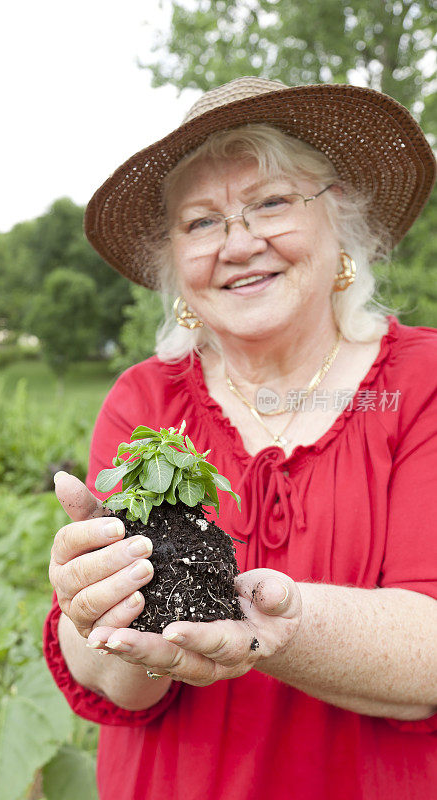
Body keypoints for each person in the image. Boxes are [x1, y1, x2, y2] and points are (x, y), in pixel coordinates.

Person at [44, 77, 437, 800]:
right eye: (201, 222)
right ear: (174, 265)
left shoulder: (419, 384)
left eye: (271, 203)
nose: (239, 243)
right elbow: (117, 684)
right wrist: (92, 609)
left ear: (340, 219)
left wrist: (277, 627)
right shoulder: (145, 401)